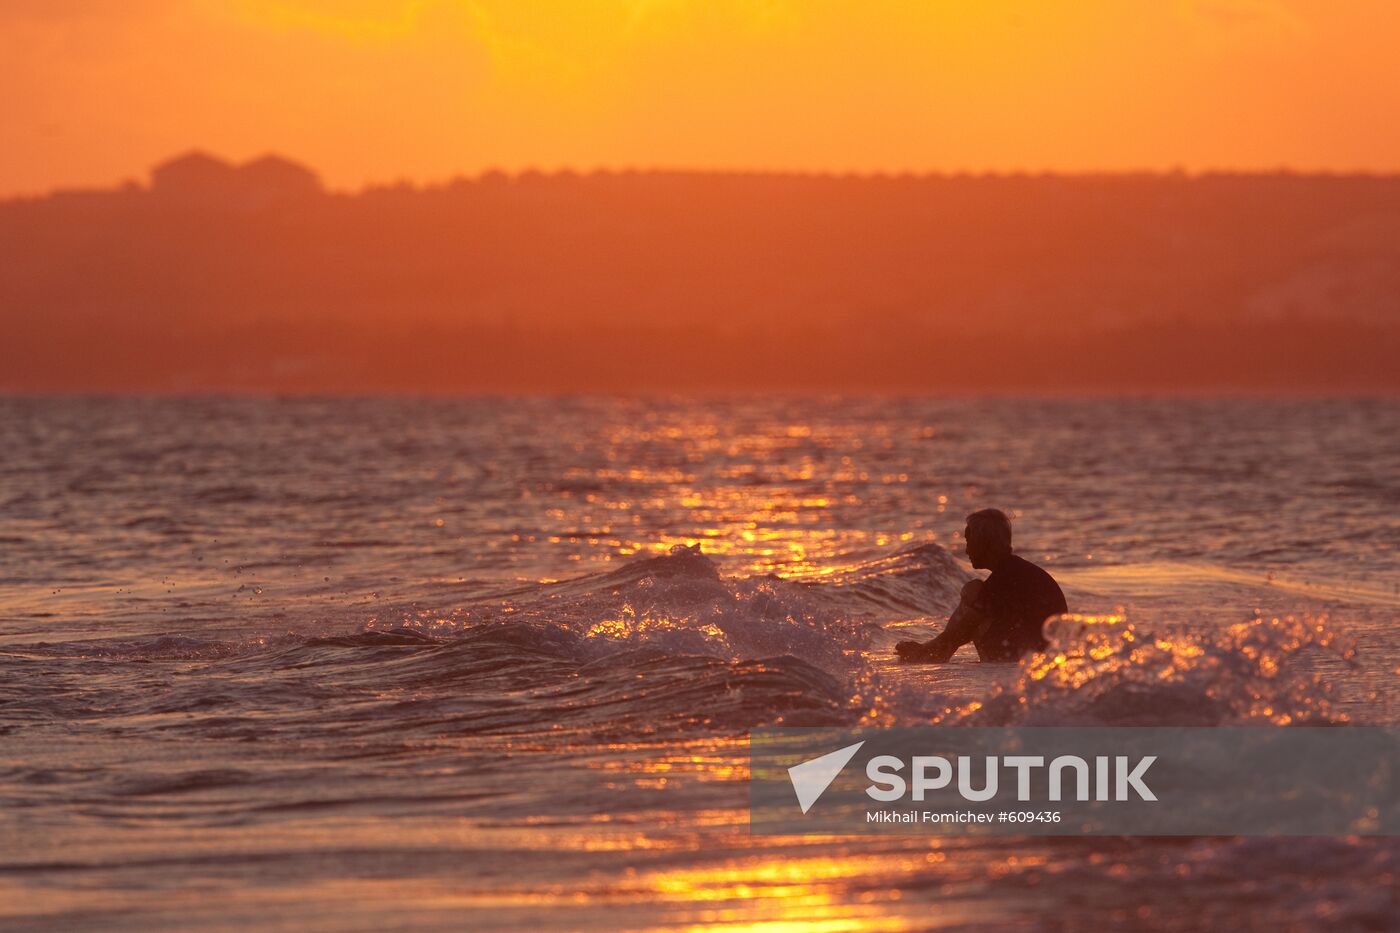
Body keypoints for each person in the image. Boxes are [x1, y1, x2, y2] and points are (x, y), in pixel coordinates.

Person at [896, 508, 1066, 663]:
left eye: (970, 541)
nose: (967, 550)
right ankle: (938, 650)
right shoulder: (1014, 571)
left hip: (1028, 657)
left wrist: (937, 646)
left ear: (985, 543)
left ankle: (937, 652)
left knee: (973, 591)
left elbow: (965, 626)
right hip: (1044, 654)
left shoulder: (1005, 579)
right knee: (977, 599)